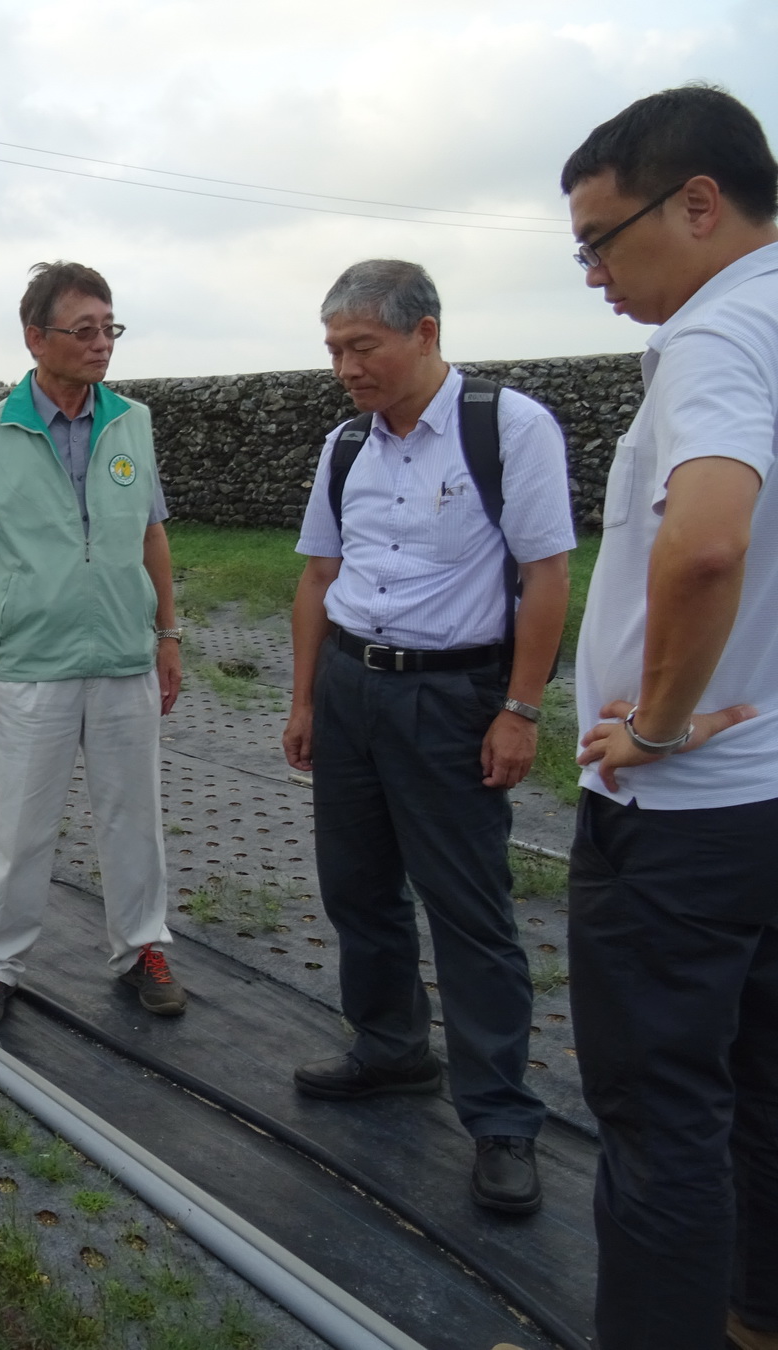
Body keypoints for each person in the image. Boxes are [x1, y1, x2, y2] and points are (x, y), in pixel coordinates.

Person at [283, 259, 574, 1214]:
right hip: (352, 687)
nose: (346, 368)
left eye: (362, 347)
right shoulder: (344, 447)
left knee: (470, 912)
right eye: (334, 350)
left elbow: (545, 576)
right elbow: (320, 577)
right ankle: (391, 1048)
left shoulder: (508, 430)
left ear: (426, 333)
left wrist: (520, 709)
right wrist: (304, 700)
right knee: (358, 887)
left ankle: (500, 1118)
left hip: (452, 701)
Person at [561, 86, 778, 1350]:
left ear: (698, 204)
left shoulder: (716, 335)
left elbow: (702, 547)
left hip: (686, 813)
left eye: (602, 237)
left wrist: (653, 721)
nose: (593, 270)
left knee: (659, 1118)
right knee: (766, 1085)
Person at [0, 260, 187, 1027]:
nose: (101, 344)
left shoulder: (132, 423)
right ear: (35, 337)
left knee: (133, 817)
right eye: (83, 329)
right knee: (16, 824)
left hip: (123, 654)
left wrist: (169, 633)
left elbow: (151, 533)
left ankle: (142, 944)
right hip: (29, 662)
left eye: (109, 328)